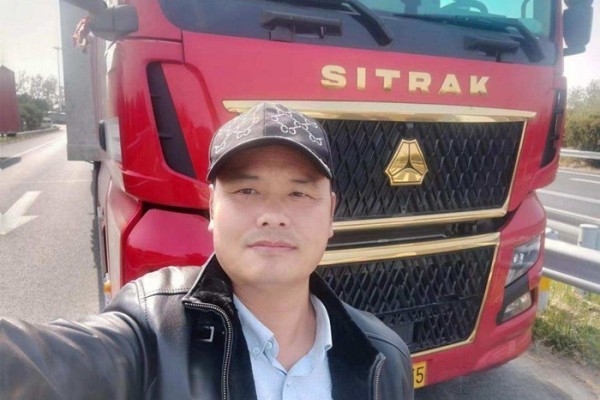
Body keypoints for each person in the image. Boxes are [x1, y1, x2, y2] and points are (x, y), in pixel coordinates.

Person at [0, 103, 414, 400]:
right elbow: (39, 363)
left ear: (331, 214)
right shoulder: (155, 330)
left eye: (299, 193)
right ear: (212, 209)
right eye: (246, 191)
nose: (273, 215)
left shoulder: (383, 358)